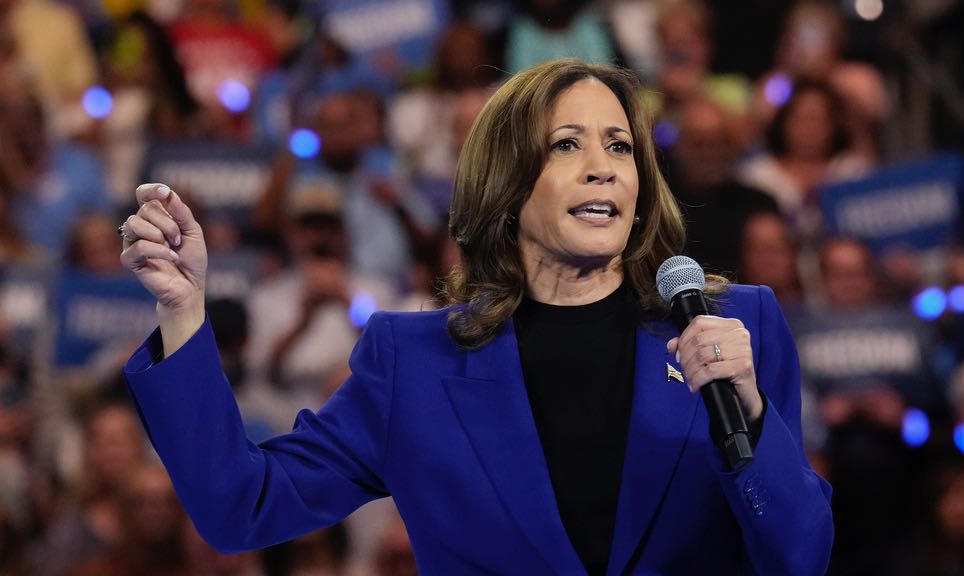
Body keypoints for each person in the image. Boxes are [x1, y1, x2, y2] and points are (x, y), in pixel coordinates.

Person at [118, 58, 832, 575]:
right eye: (565, 145)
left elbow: (800, 556)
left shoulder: (735, 328)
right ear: (506, 185)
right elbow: (241, 505)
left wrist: (753, 413)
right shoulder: (414, 363)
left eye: (620, 145)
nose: (603, 166)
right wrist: (182, 312)